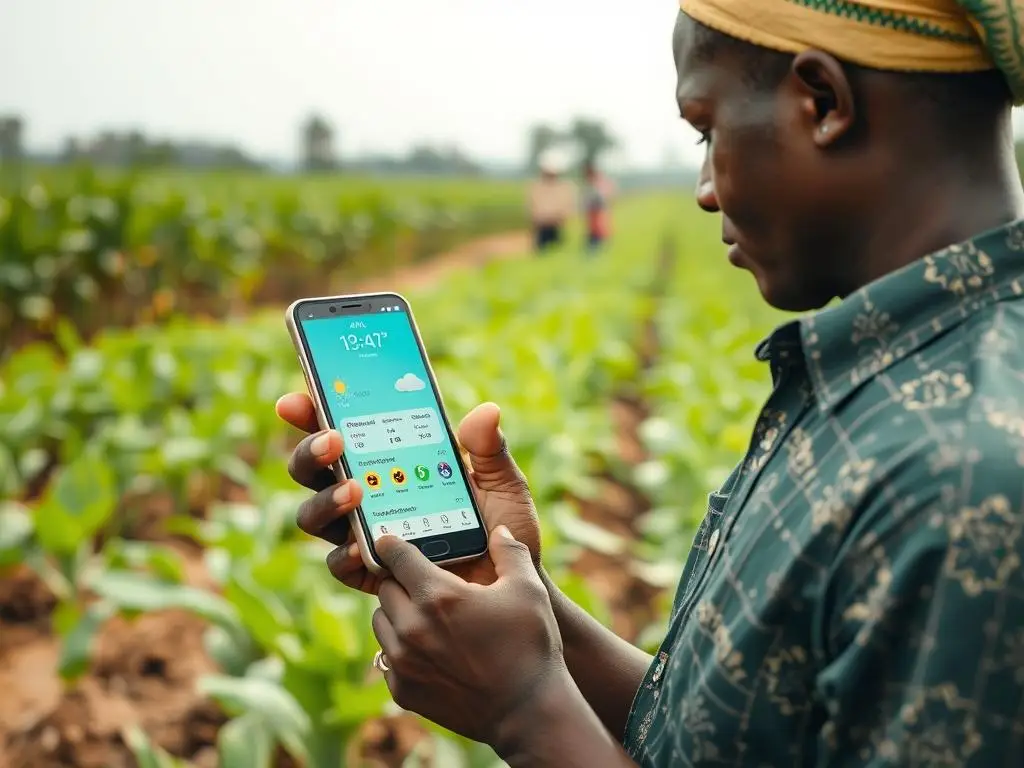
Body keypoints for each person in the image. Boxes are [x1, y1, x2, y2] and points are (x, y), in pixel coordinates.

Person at [277, 0, 1024, 764]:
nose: (703, 187)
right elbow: (732, 734)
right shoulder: (894, 377)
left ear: (823, 103)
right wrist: (519, 597)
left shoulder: (969, 477)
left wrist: (527, 709)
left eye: (706, 128)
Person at [526, 149, 576, 253]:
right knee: (542, 252)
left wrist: (559, 217)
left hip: (557, 226)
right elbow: (532, 208)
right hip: (541, 227)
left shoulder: (564, 187)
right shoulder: (536, 187)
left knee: (556, 253)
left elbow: (568, 208)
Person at [581, 160, 614, 252]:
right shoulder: (588, 184)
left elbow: (603, 200)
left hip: (599, 217)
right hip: (591, 220)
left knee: (598, 241)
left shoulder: (600, 183)